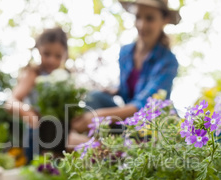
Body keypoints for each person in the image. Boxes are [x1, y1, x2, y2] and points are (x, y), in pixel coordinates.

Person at [71, 0, 180, 134]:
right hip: (128, 123)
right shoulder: (126, 53)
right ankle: (101, 146)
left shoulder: (168, 61)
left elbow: (144, 106)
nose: (141, 25)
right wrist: (115, 91)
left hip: (151, 128)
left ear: (165, 20)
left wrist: (96, 117)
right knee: (94, 97)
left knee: (97, 114)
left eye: (149, 18)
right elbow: (130, 91)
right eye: (138, 17)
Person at [5, 27, 87, 162]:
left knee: (59, 171)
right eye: (46, 54)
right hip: (36, 134)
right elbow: (11, 101)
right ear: (38, 50)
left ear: (65, 55)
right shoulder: (33, 73)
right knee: (38, 171)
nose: (51, 60)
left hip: (62, 136)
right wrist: (27, 113)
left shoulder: (67, 77)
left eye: (58, 56)